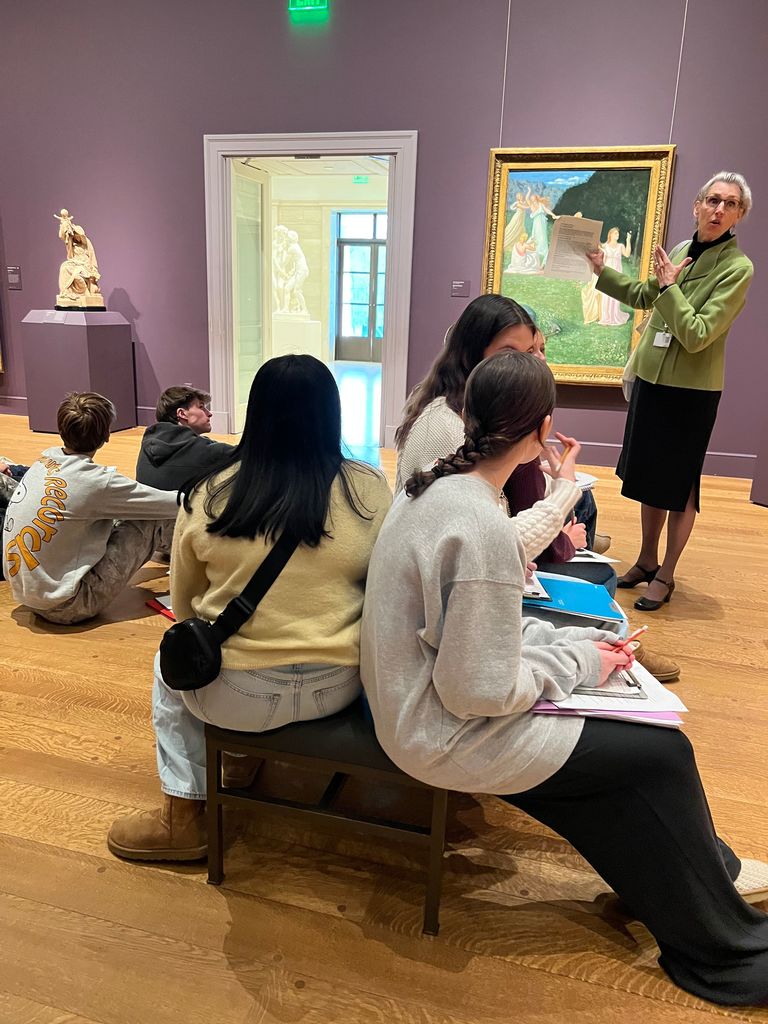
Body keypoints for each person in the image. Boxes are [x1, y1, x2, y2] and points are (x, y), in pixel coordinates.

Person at [361, 350, 768, 1007]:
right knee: (661, 753)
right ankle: (727, 952)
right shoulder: (478, 523)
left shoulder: (436, 489)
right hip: (439, 729)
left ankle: (687, 881)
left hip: (418, 704)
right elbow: (476, 689)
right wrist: (578, 664)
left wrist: (574, 646)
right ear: (542, 429)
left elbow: (471, 634)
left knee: (634, 753)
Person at [107, 355, 392, 862]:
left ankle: (183, 817)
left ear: (255, 413)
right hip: (341, 684)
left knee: (169, 663)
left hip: (236, 695)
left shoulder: (210, 493)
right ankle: (238, 757)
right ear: (332, 414)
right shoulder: (368, 488)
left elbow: (186, 607)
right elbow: (382, 588)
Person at [395, 294, 679, 680]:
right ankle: (616, 644)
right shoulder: (452, 434)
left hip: (448, 619)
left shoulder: (466, 424)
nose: (529, 363)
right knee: (599, 585)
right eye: (510, 353)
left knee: (588, 559)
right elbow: (476, 672)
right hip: (439, 640)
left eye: (532, 352)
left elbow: (483, 542)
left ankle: (613, 641)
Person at [588, 171, 754, 611]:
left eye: (731, 204)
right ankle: (647, 559)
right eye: (713, 200)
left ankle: (666, 574)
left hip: (691, 392)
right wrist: (602, 271)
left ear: (739, 214)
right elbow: (645, 295)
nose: (719, 209)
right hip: (652, 379)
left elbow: (697, 333)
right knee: (649, 478)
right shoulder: (681, 250)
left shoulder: (738, 269)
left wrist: (668, 287)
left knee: (680, 487)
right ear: (697, 206)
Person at [2, 393, 177, 624]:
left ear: (61, 429)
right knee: (150, 519)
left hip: (27, 594)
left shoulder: (43, 462)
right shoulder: (97, 482)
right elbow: (171, 504)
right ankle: (203, 564)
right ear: (106, 435)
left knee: (112, 516)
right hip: (68, 605)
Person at [136, 385, 235, 493]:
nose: (209, 413)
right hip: (182, 504)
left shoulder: (148, 444)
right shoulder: (203, 450)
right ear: (182, 414)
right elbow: (244, 455)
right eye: (201, 407)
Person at [597, 227, 632, 326]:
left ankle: (614, 316)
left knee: (615, 294)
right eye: (615, 233)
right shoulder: (605, 246)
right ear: (610, 235)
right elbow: (598, 251)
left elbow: (627, 254)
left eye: (618, 233)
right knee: (606, 294)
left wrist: (628, 240)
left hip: (617, 271)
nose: (617, 235)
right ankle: (606, 317)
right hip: (607, 272)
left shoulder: (620, 246)